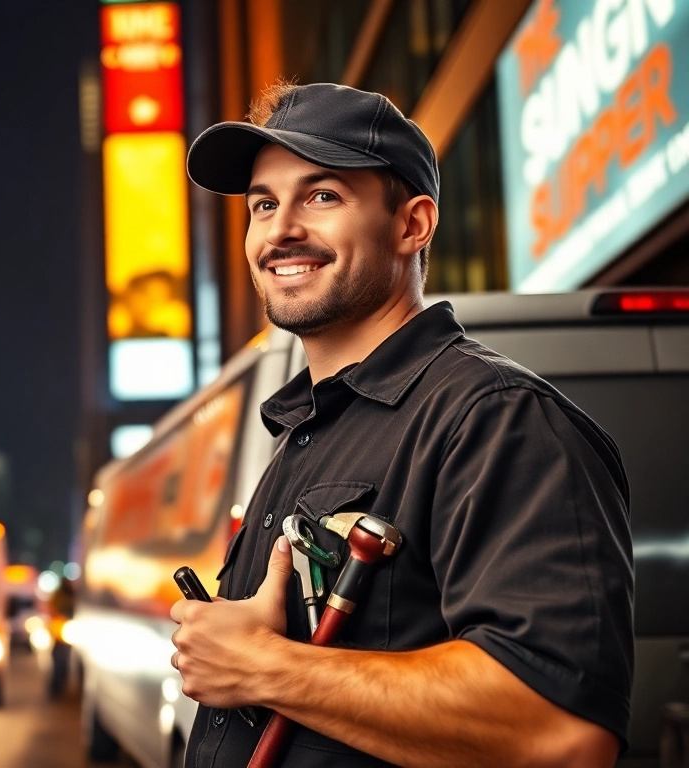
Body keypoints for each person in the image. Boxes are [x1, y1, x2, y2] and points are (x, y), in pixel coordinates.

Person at [169, 82, 632, 768]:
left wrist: (266, 668)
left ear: (413, 225)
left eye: (322, 195)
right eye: (264, 204)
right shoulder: (306, 432)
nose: (281, 229)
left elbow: (559, 732)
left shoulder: (495, 419)